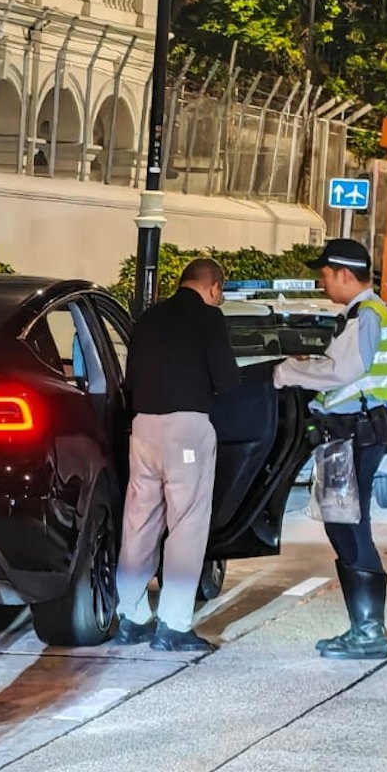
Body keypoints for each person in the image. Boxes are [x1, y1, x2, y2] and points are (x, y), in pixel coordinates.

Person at [274, 239, 387, 659]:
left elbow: (340, 372)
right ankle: (363, 629)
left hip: (357, 433)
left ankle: (369, 632)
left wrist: (287, 371)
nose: (322, 280)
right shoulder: (365, 315)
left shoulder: (366, 316)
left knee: (350, 524)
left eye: (325, 273)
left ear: (345, 274)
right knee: (343, 522)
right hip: (356, 432)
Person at [111, 257, 239, 654]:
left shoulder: (149, 318)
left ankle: (131, 616)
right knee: (186, 523)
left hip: (144, 429)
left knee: (139, 521)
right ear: (214, 287)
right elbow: (228, 381)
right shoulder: (210, 319)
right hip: (186, 430)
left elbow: (130, 380)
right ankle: (174, 624)